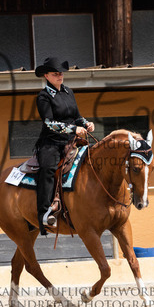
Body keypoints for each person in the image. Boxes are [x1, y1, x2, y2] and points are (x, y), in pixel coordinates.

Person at [34, 57, 94, 235]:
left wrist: (86, 123)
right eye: (55, 74)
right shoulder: (43, 96)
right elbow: (49, 123)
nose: (59, 76)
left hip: (71, 141)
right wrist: (74, 129)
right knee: (48, 169)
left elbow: (76, 116)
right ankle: (44, 213)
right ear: (46, 76)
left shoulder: (69, 92)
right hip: (51, 142)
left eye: (61, 73)